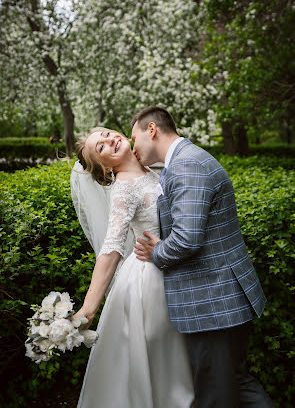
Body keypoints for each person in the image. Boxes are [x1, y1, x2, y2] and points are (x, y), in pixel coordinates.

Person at [131, 106, 275, 408]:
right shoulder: (183, 162)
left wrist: (156, 251)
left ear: (152, 130)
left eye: (134, 139)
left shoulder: (187, 165)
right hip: (218, 300)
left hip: (213, 302)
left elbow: (186, 239)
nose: (133, 149)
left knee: (216, 395)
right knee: (234, 384)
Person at [71, 126, 195, 408]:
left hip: (175, 266)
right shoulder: (124, 187)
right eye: (100, 147)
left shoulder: (153, 166)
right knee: (166, 361)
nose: (109, 140)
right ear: (104, 169)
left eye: (106, 133)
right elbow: (112, 248)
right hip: (151, 280)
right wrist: (88, 310)